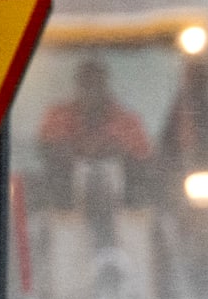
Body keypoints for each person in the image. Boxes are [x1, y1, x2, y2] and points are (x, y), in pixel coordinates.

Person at [36, 57, 151, 251]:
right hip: (63, 196)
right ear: (78, 85)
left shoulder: (126, 121)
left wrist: (117, 151)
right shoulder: (58, 116)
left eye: (96, 83)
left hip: (124, 197)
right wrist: (69, 152)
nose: (91, 90)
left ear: (105, 85)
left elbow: (143, 156)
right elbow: (47, 147)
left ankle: (109, 252)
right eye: (86, 83)